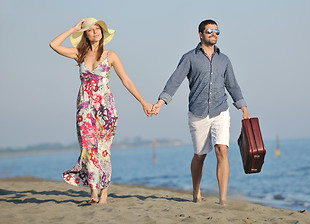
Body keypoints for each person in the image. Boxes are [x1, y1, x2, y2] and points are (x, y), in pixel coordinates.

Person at [49, 18, 154, 204]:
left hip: (106, 109)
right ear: (85, 34)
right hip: (85, 108)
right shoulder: (78, 54)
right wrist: (73, 28)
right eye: (91, 30)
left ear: (102, 33)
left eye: (98, 29)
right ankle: (94, 193)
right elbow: (53, 45)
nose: (95, 32)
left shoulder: (110, 55)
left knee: (103, 150)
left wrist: (143, 102)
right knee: (89, 149)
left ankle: (104, 194)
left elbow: (126, 81)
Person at [152, 19, 251, 205]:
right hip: (197, 113)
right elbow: (175, 81)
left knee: (222, 150)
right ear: (200, 34)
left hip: (221, 110)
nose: (214, 34)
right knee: (200, 155)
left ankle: (222, 199)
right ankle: (196, 192)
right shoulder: (189, 57)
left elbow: (232, 85)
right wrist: (160, 102)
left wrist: (244, 108)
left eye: (217, 31)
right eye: (209, 31)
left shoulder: (224, 60)